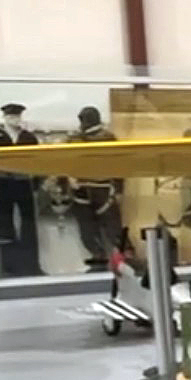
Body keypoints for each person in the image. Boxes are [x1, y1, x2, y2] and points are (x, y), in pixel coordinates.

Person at [0, 103, 43, 277]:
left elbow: (38, 161)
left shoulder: (28, 137)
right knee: (4, 224)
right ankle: (9, 267)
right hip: (2, 181)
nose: (15, 119)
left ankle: (31, 265)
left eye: (17, 116)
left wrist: (37, 184)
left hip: (24, 182)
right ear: (5, 117)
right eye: (11, 116)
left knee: (28, 224)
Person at [69, 106, 122, 268]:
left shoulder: (108, 138)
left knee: (114, 229)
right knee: (87, 231)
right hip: (81, 190)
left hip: (103, 188)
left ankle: (123, 259)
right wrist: (69, 179)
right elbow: (64, 162)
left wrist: (119, 189)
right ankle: (98, 258)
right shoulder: (73, 139)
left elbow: (120, 164)